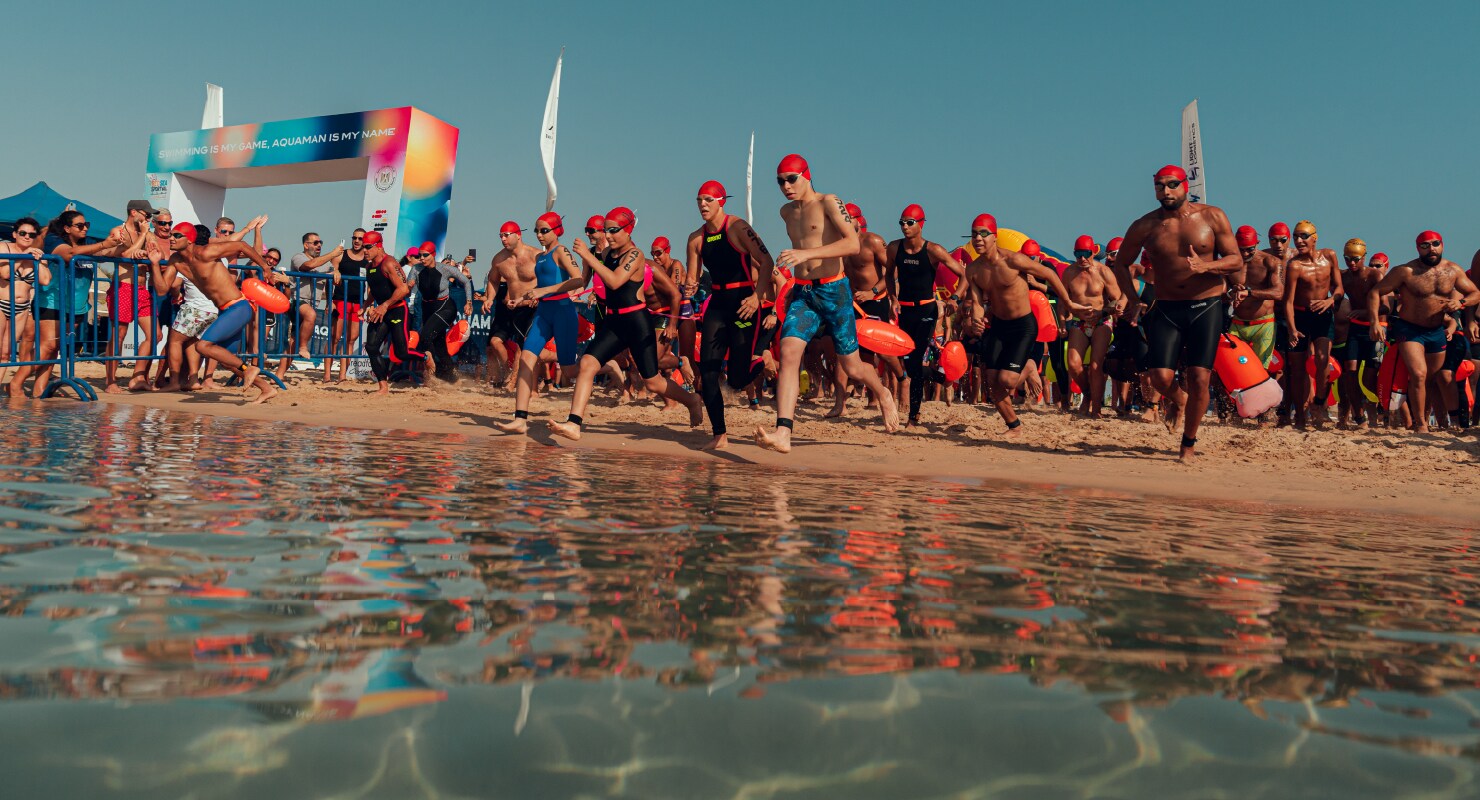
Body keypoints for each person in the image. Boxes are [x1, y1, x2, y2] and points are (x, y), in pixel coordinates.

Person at [756, 154, 900, 453]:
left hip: (835, 292)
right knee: (788, 351)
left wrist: (806, 255)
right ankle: (783, 432)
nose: (785, 186)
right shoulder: (786, 212)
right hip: (804, 294)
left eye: (791, 179)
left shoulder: (829, 202)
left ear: (806, 176)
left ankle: (882, 392)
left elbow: (852, 243)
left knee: (853, 366)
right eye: (780, 181)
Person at [1110, 165, 1243, 462]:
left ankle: (1188, 445)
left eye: (1172, 185)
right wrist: (1133, 300)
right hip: (1167, 307)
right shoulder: (1145, 226)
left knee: (1199, 378)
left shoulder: (1212, 216)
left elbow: (1234, 260)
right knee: (1159, 377)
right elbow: (1121, 264)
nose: (1166, 191)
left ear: (1185, 185)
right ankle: (1178, 400)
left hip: (1205, 305)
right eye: (1160, 186)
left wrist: (1207, 267)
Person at [549, 207, 703, 441]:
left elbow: (614, 281)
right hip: (614, 321)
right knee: (588, 364)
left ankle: (691, 399)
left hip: (637, 322)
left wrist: (589, 257)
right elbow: (584, 279)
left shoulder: (635, 255)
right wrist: (545, 291)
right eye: (605, 230)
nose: (608, 235)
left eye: (613, 230)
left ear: (628, 229)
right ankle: (574, 423)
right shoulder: (606, 254)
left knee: (652, 382)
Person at [963, 214, 1086, 435]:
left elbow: (1049, 273)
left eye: (983, 233)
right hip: (999, 326)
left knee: (1007, 381)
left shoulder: (1013, 260)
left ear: (995, 236)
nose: (978, 239)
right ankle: (1014, 426)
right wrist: (977, 319)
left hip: (1023, 326)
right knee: (992, 382)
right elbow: (978, 301)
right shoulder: (973, 270)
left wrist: (1067, 302)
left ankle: (1029, 367)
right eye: (974, 234)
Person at [684, 179, 776, 450]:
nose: (702, 205)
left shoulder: (737, 227)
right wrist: (689, 286)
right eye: (699, 200)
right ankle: (719, 435)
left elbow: (767, 261)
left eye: (708, 200)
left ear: (721, 201)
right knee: (709, 372)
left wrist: (757, 297)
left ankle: (760, 361)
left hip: (743, 303)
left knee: (736, 379)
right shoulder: (695, 238)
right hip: (717, 304)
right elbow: (693, 276)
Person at [149, 222, 280, 403]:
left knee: (203, 346)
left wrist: (265, 267)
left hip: (239, 307)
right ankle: (266, 389)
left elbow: (241, 245)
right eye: (171, 235)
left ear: (190, 240)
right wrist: (155, 264)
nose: (171, 238)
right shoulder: (176, 261)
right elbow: (162, 289)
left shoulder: (206, 252)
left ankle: (249, 369)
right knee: (227, 360)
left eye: (177, 235)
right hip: (225, 311)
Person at [1368, 231, 1480, 433]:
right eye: (1425, 245)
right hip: (1410, 330)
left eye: (1435, 244)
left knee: (1431, 378)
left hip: (1436, 330)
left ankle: (1441, 420)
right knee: (1418, 374)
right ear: (1418, 248)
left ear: (1442, 245)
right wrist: (1374, 322)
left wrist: (1460, 302)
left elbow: (1475, 293)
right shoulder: (1406, 271)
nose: (1431, 249)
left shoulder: (1452, 270)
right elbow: (1375, 292)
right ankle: (1421, 424)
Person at [498, 213, 585, 433]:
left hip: (563, 312)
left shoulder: (561, 251)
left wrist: (543, 291)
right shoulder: (541, 257)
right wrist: (521, 299)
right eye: (537, 230)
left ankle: (604, 367)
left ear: (557, 231)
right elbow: (538, 289)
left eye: (544, 230)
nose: (539, 235)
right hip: (543, 312)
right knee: (527, 359)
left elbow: (578, 280)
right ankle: (520, 419)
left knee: (570, 371)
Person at [21, 212, 120, 397]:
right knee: (47, 347)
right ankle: (17, 382)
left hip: (76, 305)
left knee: (55, 348)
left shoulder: (87, 241)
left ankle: (39, 390)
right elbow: (69, 254)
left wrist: (126, 244)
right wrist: (104, 244)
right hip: (51, 300)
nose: (85, 228)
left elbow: (108, 253)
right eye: (80, 225)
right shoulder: (53, 239)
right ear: (67, 228)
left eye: (86, 224)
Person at [885, 203, 964, 426]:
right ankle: (943, 378)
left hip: (927, 310)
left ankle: (913, 417)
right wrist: (892, 298)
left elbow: (964, 275)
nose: (904, 227)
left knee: (915, 356)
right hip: (906, 310)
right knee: (908, 360)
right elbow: (889, 275)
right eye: (901, 222)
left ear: (920, 225)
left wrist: (955, 298)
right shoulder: (894, 248)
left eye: (909, 222)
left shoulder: (933, 250)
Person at [839, 201, 903, 414]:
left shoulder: (872, 241)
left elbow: (892, 272)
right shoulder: (841, 246)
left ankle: (903, 378)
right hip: (855, 303)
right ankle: (872, 399)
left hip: (876, 300)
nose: (845, 222)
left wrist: (873, 292)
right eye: (842, 218)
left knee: (882, 350)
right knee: (864, 354)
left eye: (849, 218)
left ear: (858, 220)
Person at [1280, 220, 1343, 428]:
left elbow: (1339, 288)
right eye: (1296, 236)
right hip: (1299, 316)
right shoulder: (1295, 265)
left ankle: (1318, 403)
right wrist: (1291, 329)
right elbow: (1287, 301)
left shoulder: (1330, 256)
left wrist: (1330, 300)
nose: (1299, 241)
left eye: (1303, 236)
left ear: (1314, 237)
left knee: (1323, 361)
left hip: (1323, 314)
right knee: (1297, 369)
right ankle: (1298, 415)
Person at [100, 199, 159, 393]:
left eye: (150, 215)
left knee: (156, 335)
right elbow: (124, 254)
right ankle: (110, 381)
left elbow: (156, 255)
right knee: (120, 335)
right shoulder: (119, 231)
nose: (148, 218)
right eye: (146, 214)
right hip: (123, 287)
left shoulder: (149, 234)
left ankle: (138, 377)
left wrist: (148, 249)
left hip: (142, 289)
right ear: (134, 212)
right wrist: (142, 236)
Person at [1061, 235, 1122, 417]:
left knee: (1096, 365)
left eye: (1086, 254)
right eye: (1078, 254)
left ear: (1093, 252)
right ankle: (1087, 393)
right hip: (1079, 322)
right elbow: (1063, 301)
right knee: (1073, 364)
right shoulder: (1070, 273)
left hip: (1101, 321)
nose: (1082, 258)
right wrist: (1063, 322)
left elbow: (1117, 300)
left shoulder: (1104, 272)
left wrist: (1102, 313)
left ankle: (1096, 408)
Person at [358, 231, 421, 394]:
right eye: (363, 247)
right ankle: (383, 386)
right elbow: (376, 291)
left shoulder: (389, 263)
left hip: (397, 310)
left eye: (368, 247)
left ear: (379, 246)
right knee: (371, 347)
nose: (364, 250)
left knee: (402, 352)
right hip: (382, 311)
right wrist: (364, 306)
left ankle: (426, 358)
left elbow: (404, 289)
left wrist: (384, 305)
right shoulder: (369, 266)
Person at [483, 222, 540, 389]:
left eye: (506, 235)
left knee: (526, 344)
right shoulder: (499, 260)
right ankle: (516, 380)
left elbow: (549, 278)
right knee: (517, 345)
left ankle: (516, 382)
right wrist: (489, 298)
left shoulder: (535, 255)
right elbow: (493, 281)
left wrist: (540, 294)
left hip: (533, 306)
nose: (503, 239)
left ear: (518, 235)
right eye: (501, 235)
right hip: (514, 309)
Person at [279, 232, 344, 375]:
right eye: (315, 242)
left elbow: (330, 281)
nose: (319, 245)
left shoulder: (326, 264)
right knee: (311, 314)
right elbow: (308, 266)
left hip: (312, 303)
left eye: (320, 242)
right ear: (306, 245)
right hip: (296, 301)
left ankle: (279, 375)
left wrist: (329, 300)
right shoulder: (298, 257)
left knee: (293, 342)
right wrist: (333, 254)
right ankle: (303, 347)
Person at [408, 241, 473, 382]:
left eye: (425, 255)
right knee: (439, 345)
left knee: (425, 335)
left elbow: (466, 282)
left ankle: (433, 373)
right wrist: (409, 285)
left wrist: (469, 302)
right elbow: (408, 285)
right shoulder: (416, 269)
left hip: (445, 307)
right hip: (427, 308)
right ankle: (452, 376)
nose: (422, 258)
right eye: (419, 255)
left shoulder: (445, 269)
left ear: (433, 255)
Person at [0, 218, 51, 397]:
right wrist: (24, 256)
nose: (27, 237)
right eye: (23, 233)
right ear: (14, 234)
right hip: (1, 304)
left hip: (21, 308)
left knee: (6, 353)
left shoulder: (36, 253)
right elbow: (5, 273)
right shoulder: (4, 248)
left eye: (31, 234)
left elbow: (45, 280)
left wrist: (37, 260)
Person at [1336, 238, 1384, 428]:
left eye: (1356, 259)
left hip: (1373, 328)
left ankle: (1385, 409)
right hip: (1355, 329)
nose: (1352, 263)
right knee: (1350, 372)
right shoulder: (1345, 277)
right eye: (1347, 259)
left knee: (1369, 378)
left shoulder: (1375, 276)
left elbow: (1385, 307)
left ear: (1364, 256)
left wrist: (1365, 313)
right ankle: (1359, 416)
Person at [1227, 225, 1285, 368]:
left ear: (1257, 244)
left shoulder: (1270, 261)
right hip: (1237, 323)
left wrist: (1249, 292)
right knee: (1231, 367)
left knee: (1260, 372)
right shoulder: (1230, 262)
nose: (1246, 254)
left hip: (1263, 325)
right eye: (1242, 250)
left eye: (1250, 249)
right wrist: (1231, 292)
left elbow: (1279, 292)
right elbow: (1221, 292)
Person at [325, 229, 369, 383]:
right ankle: (327, 376)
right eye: (354, 238)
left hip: (358, 303)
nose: (357, 241)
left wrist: (368, 304)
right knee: (334, 338)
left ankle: (342, 375)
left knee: (351, 339)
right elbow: (330, 275)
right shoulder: (341, 254)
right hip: (340, 300)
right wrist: (329, 301)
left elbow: (370, 285)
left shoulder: (368, 259)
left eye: (360, 238)